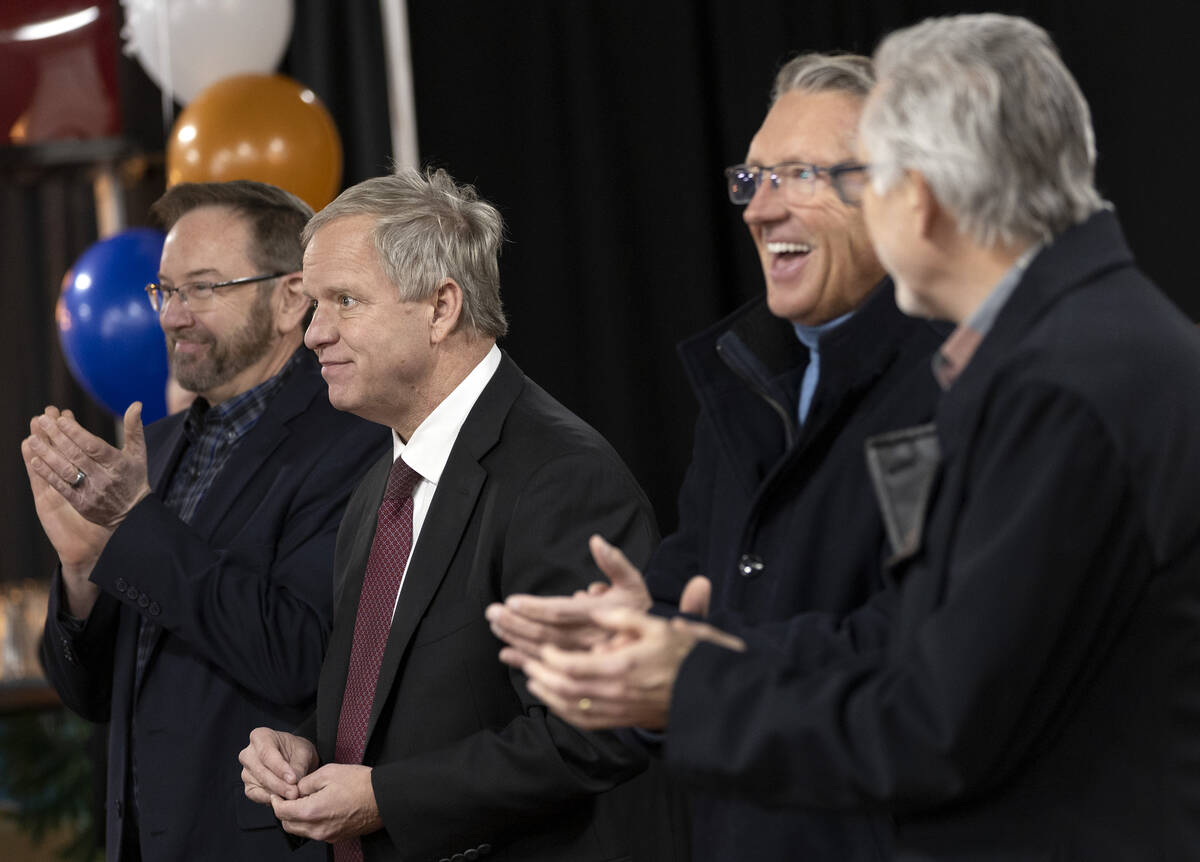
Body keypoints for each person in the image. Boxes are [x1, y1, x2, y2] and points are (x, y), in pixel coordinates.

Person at [517, 13, 1200, 859]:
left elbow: (937, 721)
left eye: (847, 176)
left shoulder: (1064, 380)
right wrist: (687, 647)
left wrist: (689, 687)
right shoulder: (1079, 345)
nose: (764, 210)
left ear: (917, 193)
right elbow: (914, 640)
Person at [487, 52, 943, 860]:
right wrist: (625, 642)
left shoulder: (966, 381)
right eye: (752, 178)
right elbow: (692, 583)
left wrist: (692, 670)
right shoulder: (742, 380)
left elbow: (929, 657)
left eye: (797, 175)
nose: (759, 211)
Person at [238, 168, 681, 862]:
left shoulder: (562, 478)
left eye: (344, 301)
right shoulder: (375, 491)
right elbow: (403, 706)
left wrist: (386, 798)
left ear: (441, 308)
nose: (314, 334)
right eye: (313, 304)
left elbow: (594, 731)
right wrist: (307, 746)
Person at [24, 180, 390, 862]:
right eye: (165, 290)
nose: (172, 316)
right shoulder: (153, 450)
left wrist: (132, 529)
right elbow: (89, 696)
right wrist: (82, 571)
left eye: (204, 288)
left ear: (290, 299)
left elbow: (300, 656)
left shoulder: (353, 442)